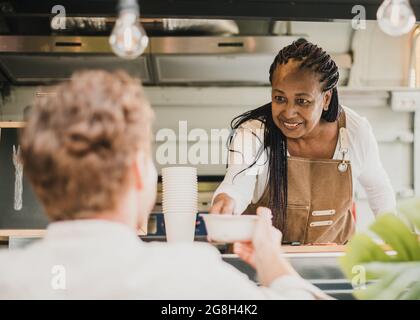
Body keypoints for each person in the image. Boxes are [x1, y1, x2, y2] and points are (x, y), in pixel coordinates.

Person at [0, 70, 327, 299]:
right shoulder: (190, 275)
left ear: (39, 184)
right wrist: (270, 255)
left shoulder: (8, 277)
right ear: (137, 174)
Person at [211, 39, 396, 245]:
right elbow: (237, 184)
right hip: (265, 265)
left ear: (326, 99)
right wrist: (225, 201)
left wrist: (395, 238)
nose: (289, 113)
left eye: (302, 101)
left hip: (335, 265)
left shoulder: (354, 132)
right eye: (280, 98)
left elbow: (379, 190)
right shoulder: (254, 133)